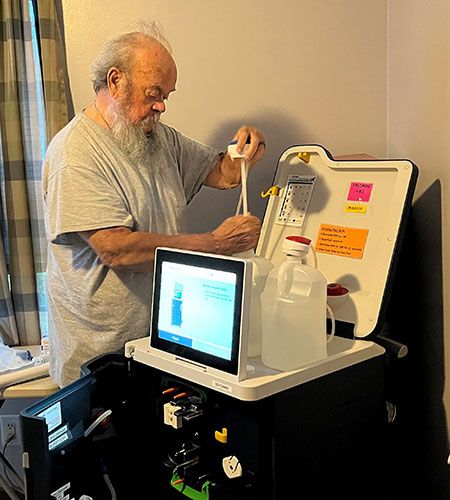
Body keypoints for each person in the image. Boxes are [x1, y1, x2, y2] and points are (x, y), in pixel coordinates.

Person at [43, 25, 266, 387]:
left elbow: (223, 173)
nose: (162, 105)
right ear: (115, 82)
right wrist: (217, 244)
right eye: (154, 93)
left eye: (166, 95)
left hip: (163, 345)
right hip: (102, 362)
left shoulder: (156, 136)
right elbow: (118, 250)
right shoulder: (76, 153)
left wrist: (245, 151)